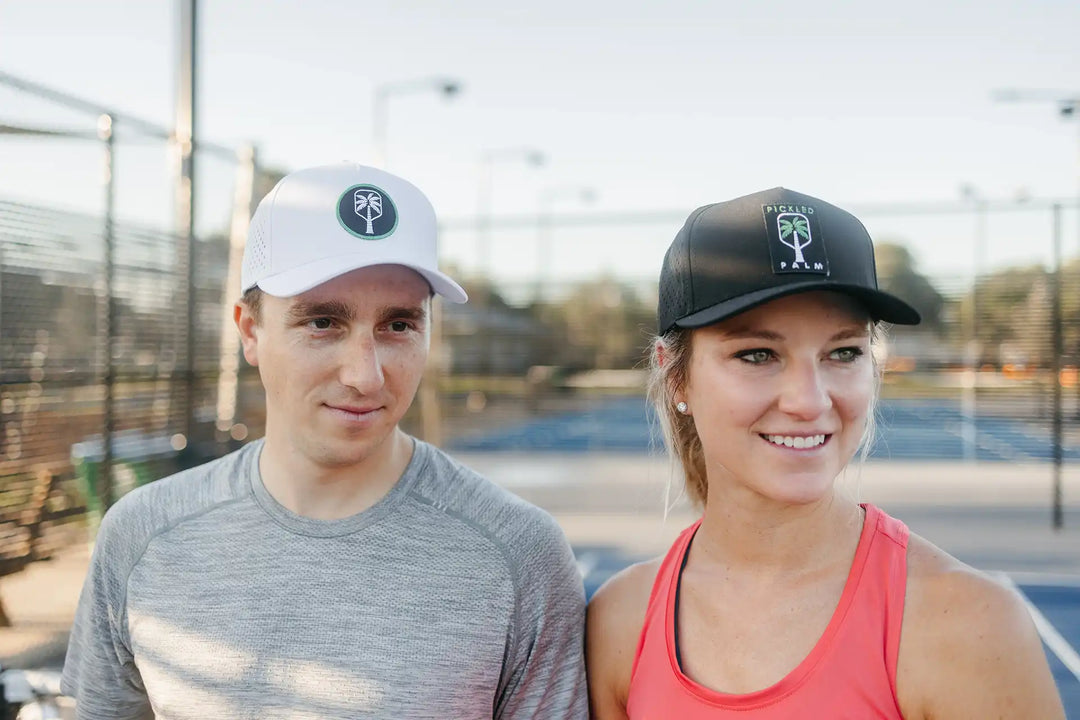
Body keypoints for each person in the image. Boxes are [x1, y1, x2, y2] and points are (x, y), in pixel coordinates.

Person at [61, 163, 588, 719]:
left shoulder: (519, 555)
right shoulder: (142, 536)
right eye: (322, 323)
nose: (366, 375)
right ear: (249, 330)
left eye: (399, 325)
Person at [585, 188, 1066, 719]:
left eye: (843, 352)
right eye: (758, 354)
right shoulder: (620, 621)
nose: (809, 400)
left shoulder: (971, 623)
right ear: (676, 375)